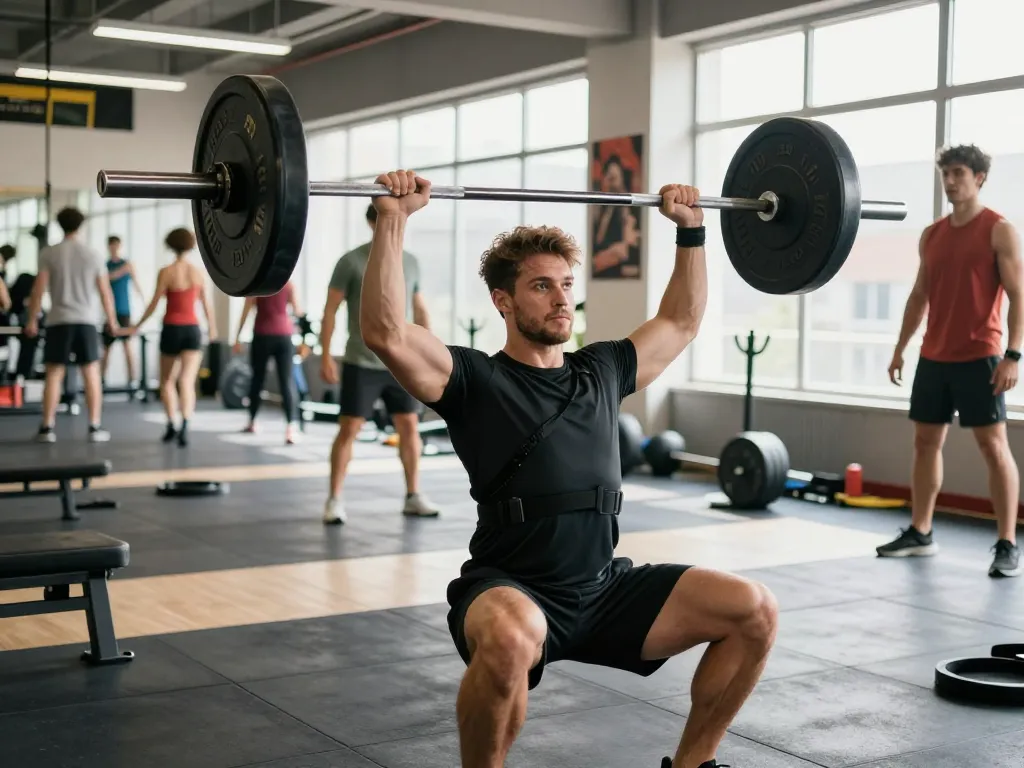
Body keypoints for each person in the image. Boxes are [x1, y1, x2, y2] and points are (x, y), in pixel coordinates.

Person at [359, 170, 778, 768]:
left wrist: (692, 232)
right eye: (540, 287)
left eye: (565, 285)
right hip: (512, 587)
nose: (561, 300)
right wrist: (393, 221)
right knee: (507, 642)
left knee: (753, 609)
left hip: (604, 587)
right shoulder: (475, 379)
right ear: (503, 302)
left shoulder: (602, 369)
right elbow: (385, 330)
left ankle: (692, 766)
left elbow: (682, 322)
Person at [883, 144, 1022, 578]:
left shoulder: (999, 230)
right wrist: (900, 347)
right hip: (933, 356)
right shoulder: (933, 234)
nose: (950, 181)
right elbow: (919, 295)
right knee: (925, 444)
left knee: (993, 447)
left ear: (979, 177)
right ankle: (921, 532)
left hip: (981, 356)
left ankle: (1006, 542)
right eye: (946, 173)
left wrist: (1013, 355)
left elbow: (1019, 296)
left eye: (958, 173)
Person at [318, 203, 441, 525]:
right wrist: (327, 354)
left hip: (401, 363)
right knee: (350, 429)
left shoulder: (411, 261)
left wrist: (428, 353)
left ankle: (413, 495)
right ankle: (334, 498)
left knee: (409, 426)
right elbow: (330, 310)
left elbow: (419, 308)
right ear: (374, 222)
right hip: (361, 359)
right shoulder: (351, 261)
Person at [24, 207, 122, 443]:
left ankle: (47, 428)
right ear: (81, 225)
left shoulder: (50, 253)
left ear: (60, 225)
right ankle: (94, 426)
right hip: (86, 321)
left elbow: (38, 291)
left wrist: (31, 320)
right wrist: (113, 321)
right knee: (91, 374)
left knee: (54, 375)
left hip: (58, 320)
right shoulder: (93, 254)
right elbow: (105, 292)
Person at [131, 228, 216, 447]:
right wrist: (213, 329)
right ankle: (186, 423)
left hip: (171, 329)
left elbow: (154, 303)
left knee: (167, 382)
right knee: (187, 381)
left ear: (170, 245)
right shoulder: (198, 272)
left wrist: (137, 325)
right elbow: (207, 306)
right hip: (192, 330)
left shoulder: (166, 272)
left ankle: (172, 423)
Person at [233, 280, 303, 444]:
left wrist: (237, 337)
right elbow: (297, 311)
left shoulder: (257, 285)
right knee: (286, 381)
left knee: (257, 379)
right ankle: (291, 428)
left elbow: (246, 310)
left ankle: (252, 422)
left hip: (262, 335)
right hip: (284, 335)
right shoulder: (288, 284)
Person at [102, 235, 146, 387]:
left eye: (116, 245)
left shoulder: (126, 264)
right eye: (112, 245)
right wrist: (123, 270)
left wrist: (144, 303)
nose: (114, 248)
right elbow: (108, 278)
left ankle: (132, 380)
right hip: (109, 312)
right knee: (106, 348)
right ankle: (101, 380)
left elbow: (136, 283)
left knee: (128, 347)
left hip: (124, 311)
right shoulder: (105, 266)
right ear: (109, 246)